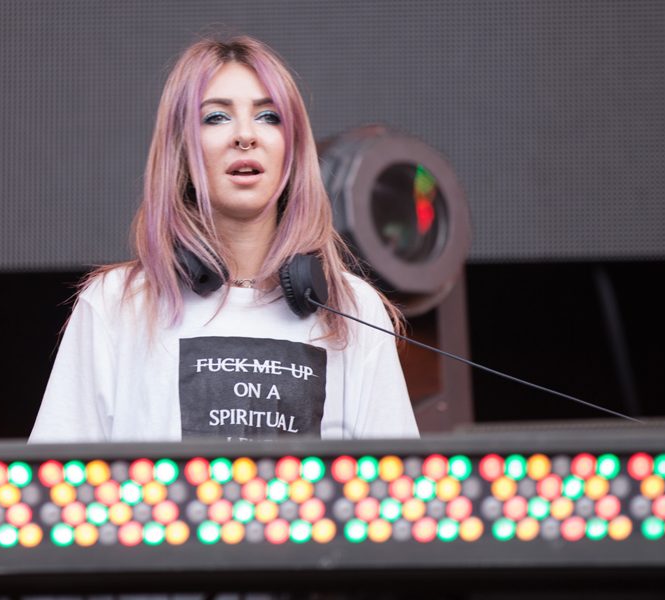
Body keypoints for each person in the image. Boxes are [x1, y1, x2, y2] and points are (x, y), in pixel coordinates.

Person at [29, 36, 417, 443]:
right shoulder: (116, 304)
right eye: (216, 117)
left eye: (269, 116)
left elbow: (397, 478)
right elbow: (58, 475)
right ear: (181, 149)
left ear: (292, 148)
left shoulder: (353, 310)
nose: (245, 136)